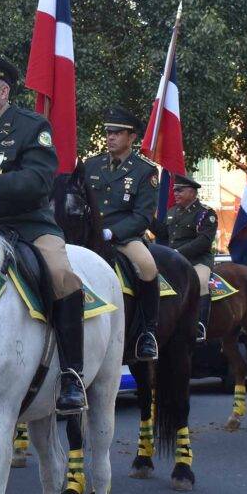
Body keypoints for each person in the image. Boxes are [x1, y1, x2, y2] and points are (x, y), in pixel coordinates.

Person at [0, 47, 85, 412]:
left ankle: (72, 375)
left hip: (29, 226)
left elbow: (40, 182)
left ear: (4, 90)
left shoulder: (31, 126)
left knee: (62, 277)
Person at [82, 107, 161, 361]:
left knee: (147, 267)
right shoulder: (90, 165)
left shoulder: (145, 171)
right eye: (108, 132)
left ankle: (148, 333)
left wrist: (111, 233)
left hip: (124, 237)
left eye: (117, 133)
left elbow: (142, 217)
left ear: (132, 137)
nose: (110, 137)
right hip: (88, 233)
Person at [150, 173, 218, 344]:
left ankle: (200, 325)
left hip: (198, 260)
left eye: (180, 190)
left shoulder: (205, 213)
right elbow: (163, 233)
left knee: (201, 283)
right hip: (173, 260)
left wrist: (178, 253)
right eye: (175, 190)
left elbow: (204, 241)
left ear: (192, 192)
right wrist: (148, 217)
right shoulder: (172, 212)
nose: (176, 194)